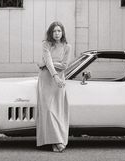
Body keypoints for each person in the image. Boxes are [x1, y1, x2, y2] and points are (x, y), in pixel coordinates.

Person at [36, 21, 71, 152]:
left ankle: (58, 140)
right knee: (48, 111)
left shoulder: (67, 47)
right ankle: (56, 141)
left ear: (62, 33)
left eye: (59, 31)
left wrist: (45, 63)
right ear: (50, 33)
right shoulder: (46, 44)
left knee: (58, 111)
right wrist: (54, 73)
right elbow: (49, 62)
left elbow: (65, 65)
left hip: (59, 81)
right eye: (54, 31)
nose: (57, 34)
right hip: (47, 79)